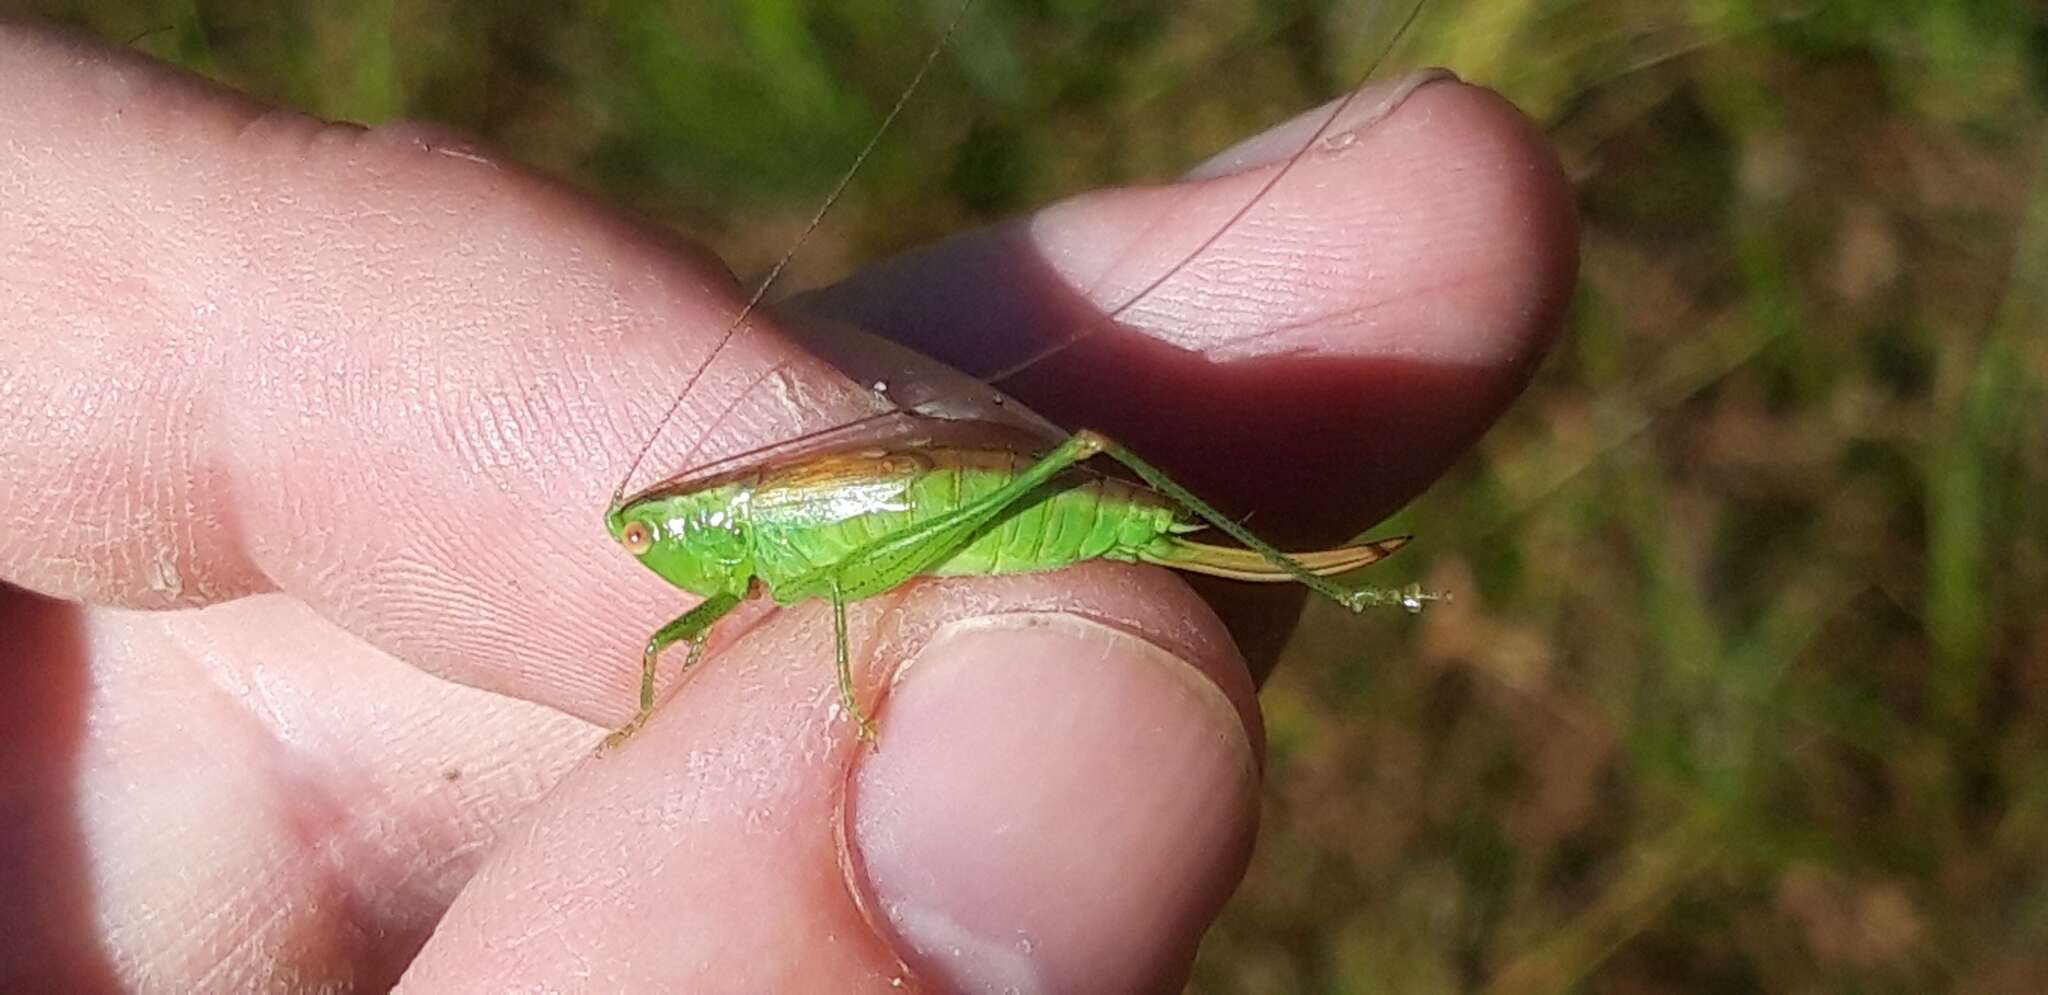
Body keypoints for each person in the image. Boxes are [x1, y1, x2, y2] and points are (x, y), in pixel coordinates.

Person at [0, 18, 1577, 993]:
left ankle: (1336, 576)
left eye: (658, 531)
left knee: (1083, 484)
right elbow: (695, 614)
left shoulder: (755, 528)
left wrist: (834, 672)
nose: (651, 553)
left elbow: (823, 569)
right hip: (900, 520)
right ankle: (1319, 566)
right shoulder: (708, 554)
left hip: (964, 507)